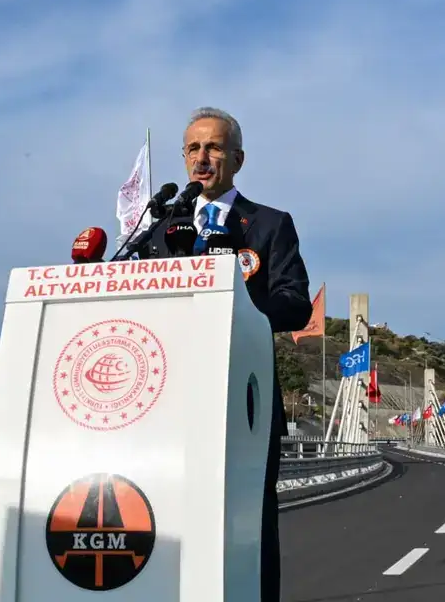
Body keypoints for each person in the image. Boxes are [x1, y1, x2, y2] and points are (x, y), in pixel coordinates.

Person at [134, 106, 313, 601]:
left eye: (213, 147)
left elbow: (295, 306)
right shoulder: (158, 230)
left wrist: (238, 308)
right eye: (193, 148)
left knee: (248, 521)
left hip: (243, 399)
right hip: (164, 400)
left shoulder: (270, 225)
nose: (202, 158)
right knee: (164, 514)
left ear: (237, 157)